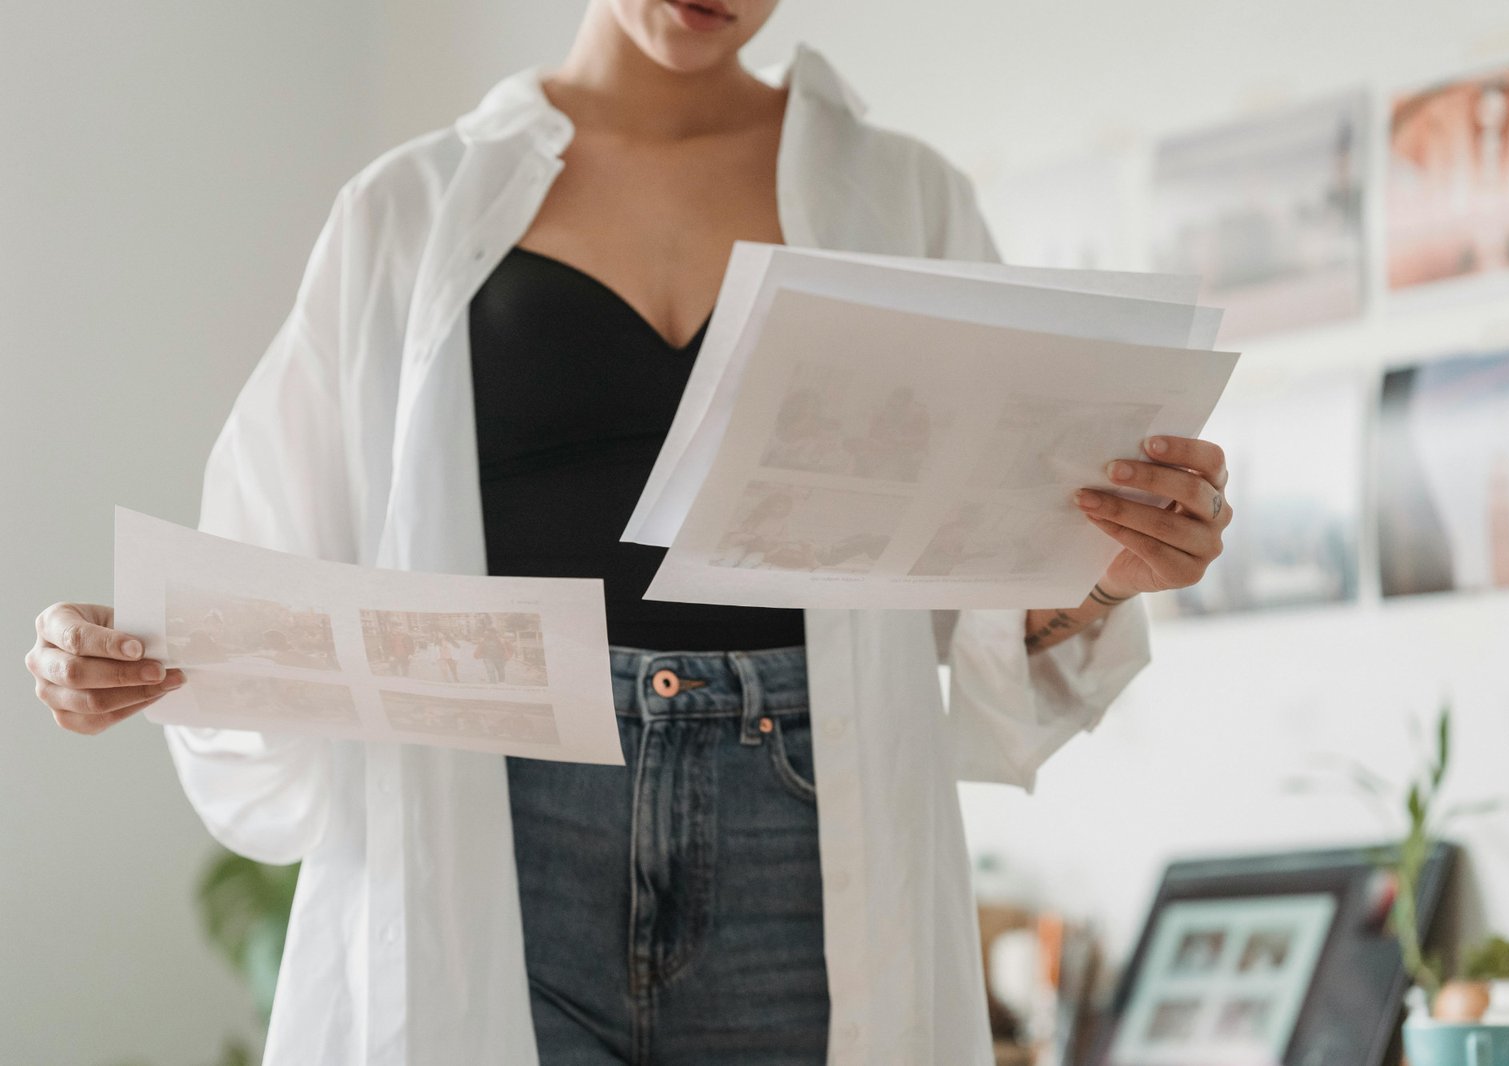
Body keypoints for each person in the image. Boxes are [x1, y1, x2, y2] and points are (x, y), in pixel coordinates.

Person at [24, 2, 1233, 1063]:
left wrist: (1103, 578)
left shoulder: (901, 197)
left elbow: (974, 599)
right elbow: (268, 551)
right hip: (496, 823)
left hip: (806, 826)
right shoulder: (410, 209)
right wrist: (121, 654)